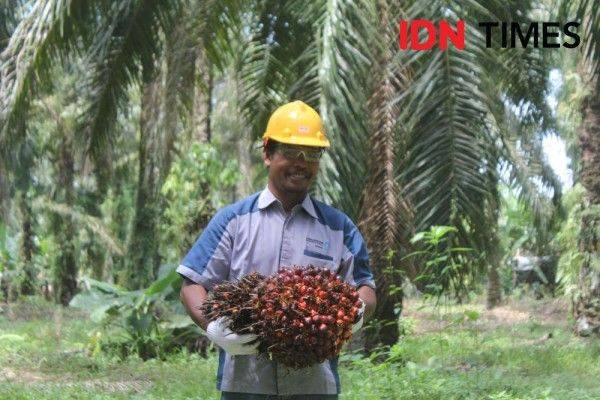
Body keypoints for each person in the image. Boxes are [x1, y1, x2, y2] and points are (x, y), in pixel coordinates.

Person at [178, 100, 377, 400]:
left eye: (311, 153)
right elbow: (192, 284)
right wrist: (214, 327)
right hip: (245, 384)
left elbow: (365, 288)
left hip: (313, 386)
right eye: (290, 151)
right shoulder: (233, 221)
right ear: (267, 152)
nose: (301, 162)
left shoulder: (339, 228)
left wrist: (356, 312)